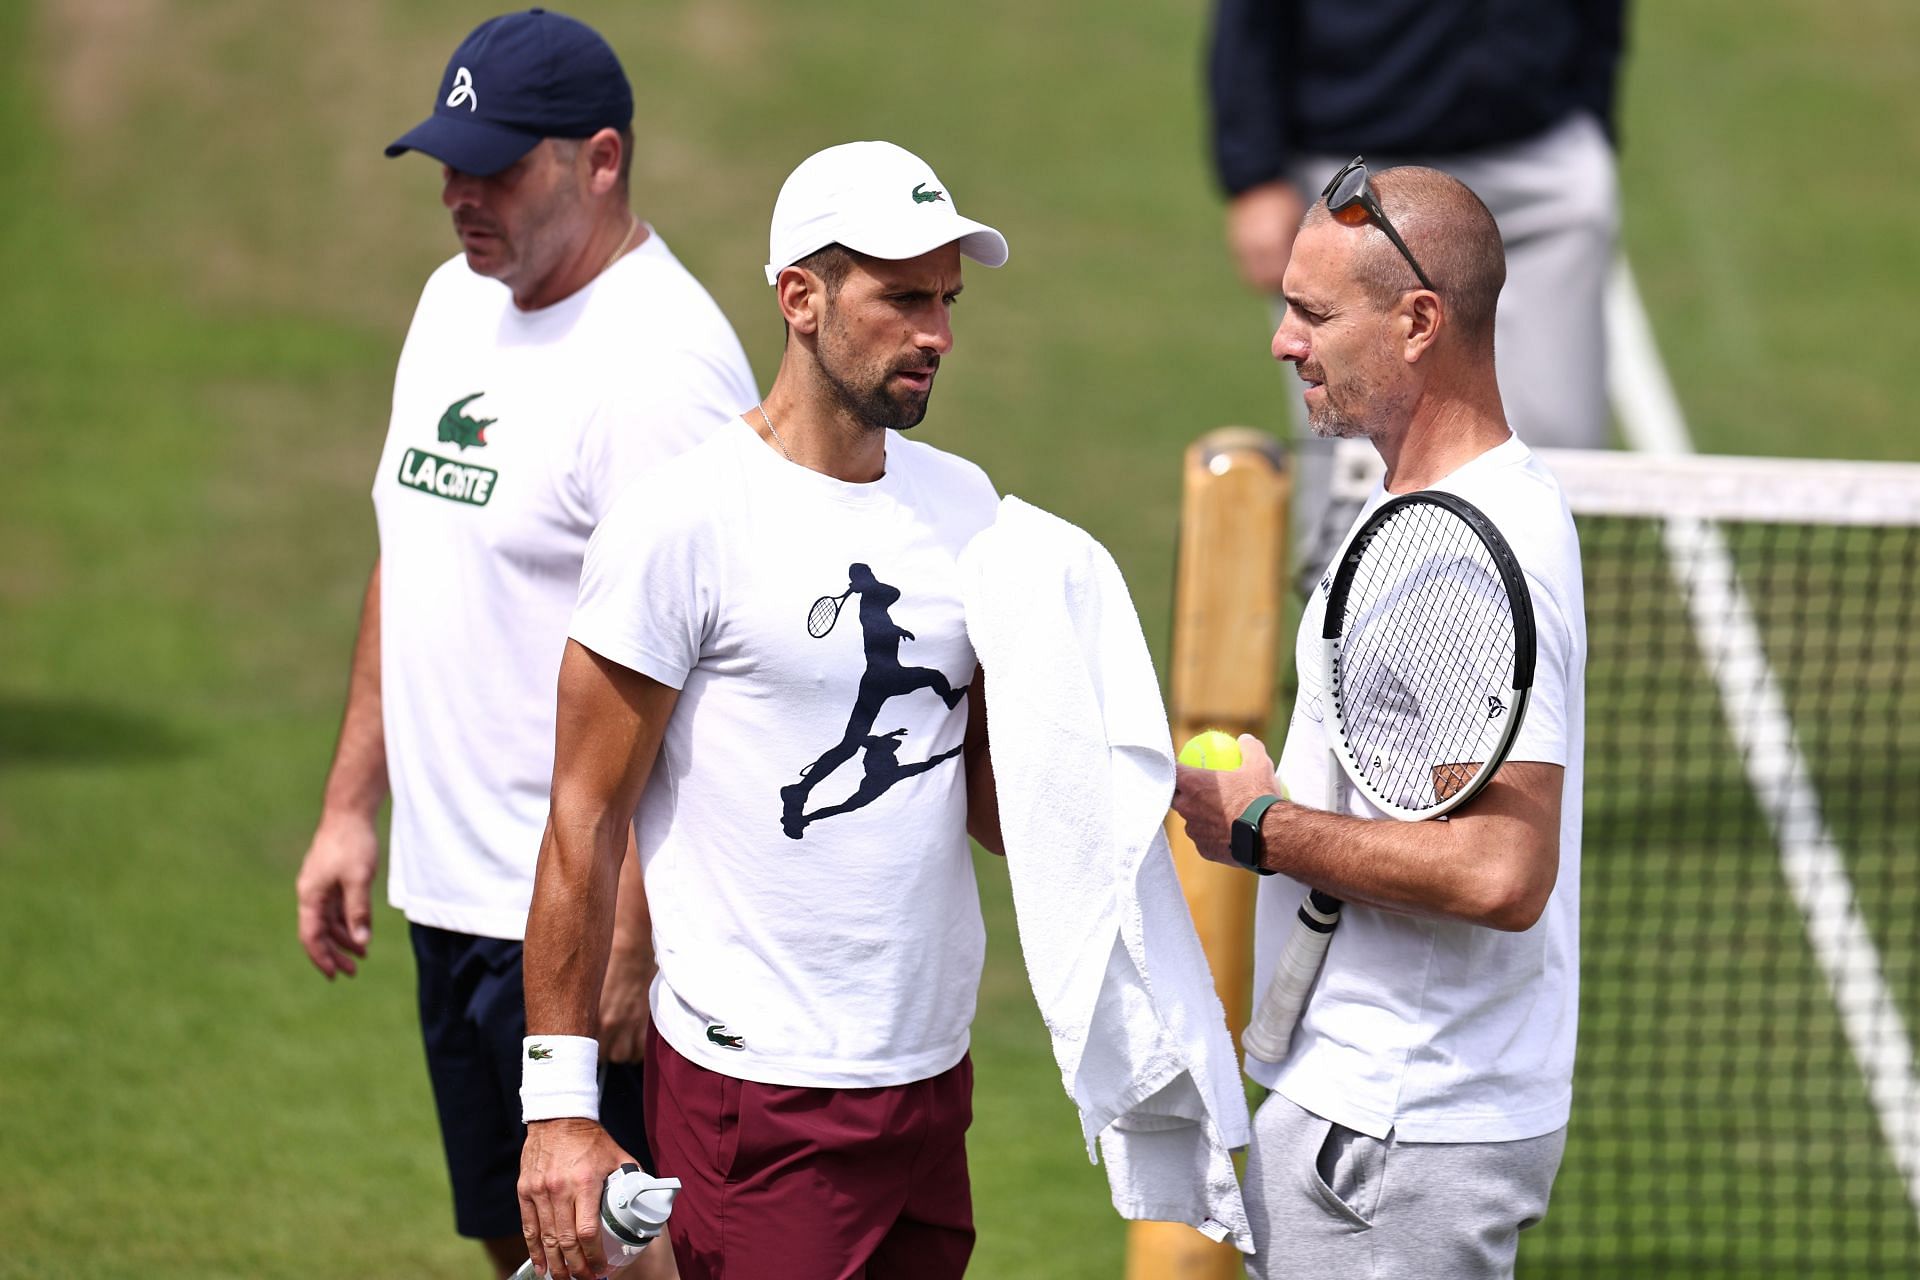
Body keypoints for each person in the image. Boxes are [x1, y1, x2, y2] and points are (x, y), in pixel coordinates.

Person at [292, 10, 756, 1277]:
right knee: (523, 1248)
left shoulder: (661, 369)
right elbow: (415, 552)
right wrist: (349, 807)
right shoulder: (456, 303)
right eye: (448, 164)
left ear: (599, 161)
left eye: (494, 166)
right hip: (453, 898)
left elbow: (704, 677)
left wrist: (632, 930)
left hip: (573, 922)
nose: (459, 195)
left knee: (620, 1263)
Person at [511, 140, 1008, 1280]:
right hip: (761, 1097)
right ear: (801, 298)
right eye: (901, 296)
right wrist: (560, 1109)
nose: (935, 331)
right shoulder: (681, 522)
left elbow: (994, 806)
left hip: (932, 1085)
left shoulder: (969, 507)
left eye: (947, 298)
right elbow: (581, 821)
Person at [1171, 164, 1586, 1278]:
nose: (1282, 342)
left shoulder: (1459, 553)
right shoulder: (1429, 504)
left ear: (1417, 321)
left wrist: (1260, 826)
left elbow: (1503, 868)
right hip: (1380, 1118)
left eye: (1311, 314)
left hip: (1396, 1133)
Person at [1208, 0, 1625, 561]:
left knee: (1562, 453)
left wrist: (1590, 117)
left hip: (1539, 165)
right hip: (1359, 180)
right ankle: (1346, 641)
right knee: (1353, 448)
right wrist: (1252, 173)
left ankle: (1522, 626)